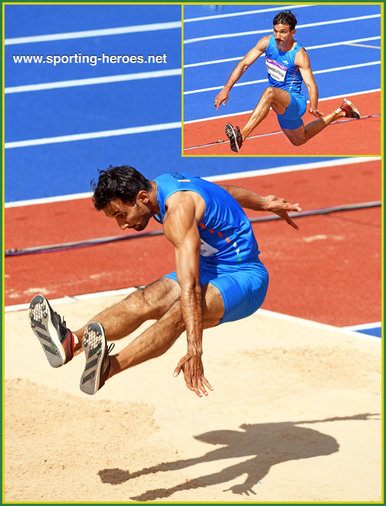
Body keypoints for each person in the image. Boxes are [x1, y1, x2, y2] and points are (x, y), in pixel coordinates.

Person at [29, 166, 301, 398]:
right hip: (212, 268)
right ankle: (71, 343)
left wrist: (195, 350)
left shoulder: (177, 212)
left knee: (180, 312)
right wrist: (263, 202)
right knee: (144, 299)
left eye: (121, 214)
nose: (121, 226)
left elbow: (190, 288)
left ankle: (109, 367)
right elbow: (222, 191)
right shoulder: (166, 184)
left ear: (142, 197)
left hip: (245, 277)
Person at [214, 10, 361, 152]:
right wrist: (226, 89)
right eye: (275, 31)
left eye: (283, 32)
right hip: (280, 105)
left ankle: (242, 135)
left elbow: (310, 84)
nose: (278, 36)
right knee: (300, 139)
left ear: (293, 32)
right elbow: (244, 64)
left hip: (295, 103)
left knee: (269, 92)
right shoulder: (266, 42)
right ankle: (342, 111)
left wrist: (314, 106)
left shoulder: (299, 54)